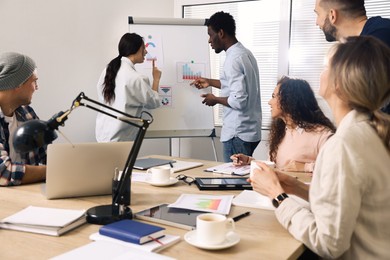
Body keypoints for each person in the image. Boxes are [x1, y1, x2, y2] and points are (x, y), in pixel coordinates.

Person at [250, 36, 390, 259]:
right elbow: (343, 202)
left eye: (325, 67)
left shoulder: (343, 145)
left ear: (339, 83)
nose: (320, 72)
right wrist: (295, 187)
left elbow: (328, 243)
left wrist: (276, 195)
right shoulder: (366, 131)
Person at [191, 11, 262, 163]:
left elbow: (239, 100)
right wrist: (209, 82)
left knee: (232, 184)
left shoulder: (232, 60)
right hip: (250, 131)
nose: (209, 41)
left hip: (237, 134)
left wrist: (215, 99)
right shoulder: (245, 54)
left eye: (210, 35)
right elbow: (239, 87)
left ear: (221, 33)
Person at [231, 76, 335, 173]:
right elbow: (276, 166)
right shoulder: (281, 132)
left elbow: (337, 168)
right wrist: (249, 161)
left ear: (289, 100)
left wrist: (305, 167)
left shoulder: (322, 135)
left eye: (273, 97)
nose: (269, 102)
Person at [314, 0, 390, 113]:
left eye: (318, 14)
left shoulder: (378, 41)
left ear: (332, 15)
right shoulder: (379, 32)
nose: (317, 22)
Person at [96, 33, 162, 142]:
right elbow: (153, 102)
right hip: (120, 139)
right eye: (143, 48)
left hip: (102, 135)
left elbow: (101, 94)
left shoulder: (108, 69)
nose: (146, 52)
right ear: (134, 49)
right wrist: (156, 80)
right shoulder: (137, 78)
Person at [0, 52, 46, 186]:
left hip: (28, 196)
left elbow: (48, 155)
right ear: (17, 83)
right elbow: (3, 173)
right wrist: (48, 171)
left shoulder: (27, 113)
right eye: (34, 81)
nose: (37, 87)